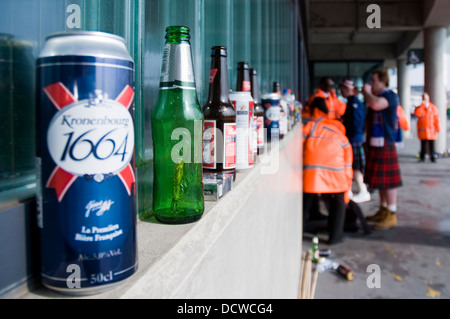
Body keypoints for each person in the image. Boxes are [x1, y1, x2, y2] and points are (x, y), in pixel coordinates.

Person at [302, 97, 353, 244]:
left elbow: (300, 143)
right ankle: (335, 236)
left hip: (313, 172)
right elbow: (348, 164)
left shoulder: (311, 125)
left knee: (307, 198)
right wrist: (346, 192)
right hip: (337, 172)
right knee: (338, 201)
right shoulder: (339, 130)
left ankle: (298, 229)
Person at [362, 69, 402, 231]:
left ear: (383, 82)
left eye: (374, 81)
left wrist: (366, 92)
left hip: (385, 141)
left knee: (388, 181)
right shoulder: (379, 96)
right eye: (371, 81)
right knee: (380, 180)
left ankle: (391, 213)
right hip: (375, 142)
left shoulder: (389, 96)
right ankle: (384, 209)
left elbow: (376, 105)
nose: (372, 84)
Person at [339, 79, 370, 203]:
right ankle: (353, 190)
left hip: (354, 139)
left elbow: (356, 123)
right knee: (352, 166)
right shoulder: (353, 102)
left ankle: (363, 191)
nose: (341, 93)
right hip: (354, 138)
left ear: (347, 90)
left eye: (342, 90)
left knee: (355, 167)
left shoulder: (354, 103)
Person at [413, 92, 441, 163]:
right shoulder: (420, 107)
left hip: (431, 130)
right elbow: (417, 114)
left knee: (432, 145)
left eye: (426, 98)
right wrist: (422, 106)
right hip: (423, 130)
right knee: (423, 145)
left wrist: (438, 127)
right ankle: (422, 157)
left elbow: (436, 118)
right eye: (423, 98)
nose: (425, 100)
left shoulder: (433, 107)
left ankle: (432, 157)